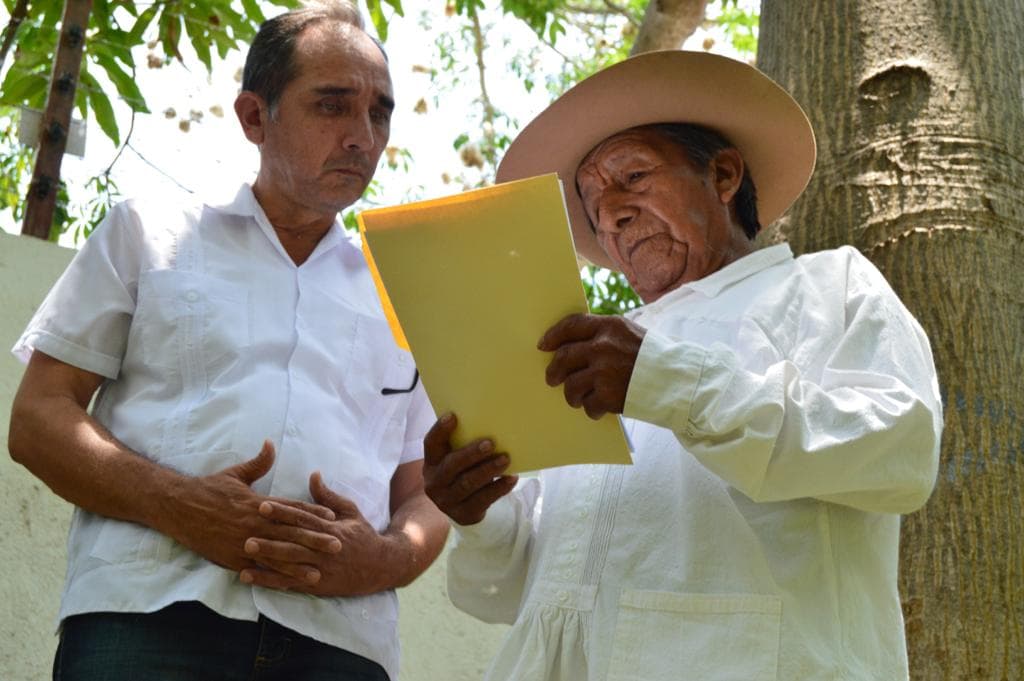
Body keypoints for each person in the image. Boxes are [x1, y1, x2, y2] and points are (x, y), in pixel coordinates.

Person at [423, 50, 942, 681]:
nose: (610, 213)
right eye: (591, 204)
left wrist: (667, 384)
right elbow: (503, 592)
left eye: (634, 177)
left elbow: (903, 452)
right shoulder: (589, 356)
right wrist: (478, 512)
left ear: (723, 176)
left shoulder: (829, 286)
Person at [7, 2, 448, 679]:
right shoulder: (148, 233)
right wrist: (173, 502)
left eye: (379, 112)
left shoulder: (411, 295)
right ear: (253, 117)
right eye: (332, 105)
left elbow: (424, 491)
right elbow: (38, 419)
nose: (362, 135)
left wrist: (388, 558)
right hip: (145, 616)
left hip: (341, 644)